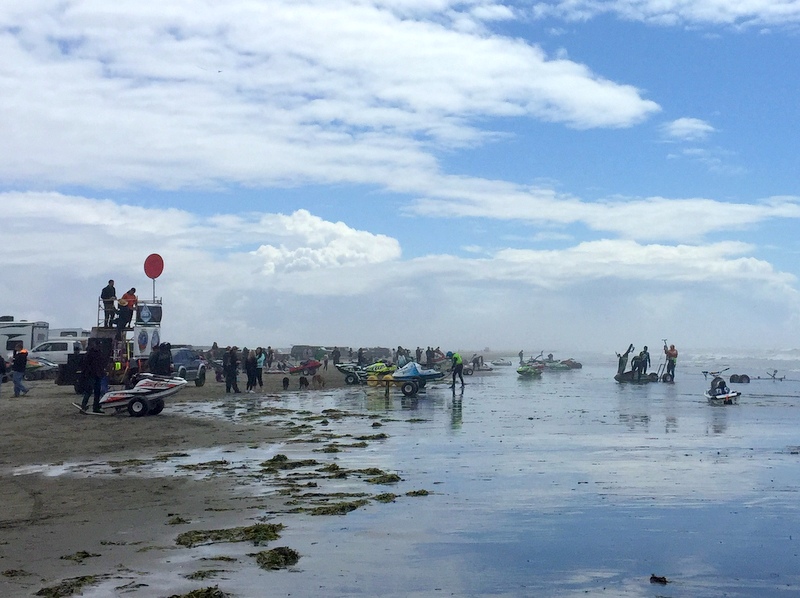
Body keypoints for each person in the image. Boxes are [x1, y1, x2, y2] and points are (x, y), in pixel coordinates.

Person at [80, 344, 107, 413]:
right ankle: (94, 407)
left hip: (92, 375)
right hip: (95, 375)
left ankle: (84, 406)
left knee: (89, 391)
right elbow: (102, 364)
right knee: (95, 392)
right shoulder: (99, 354)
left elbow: (84, 365)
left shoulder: (89, 354)